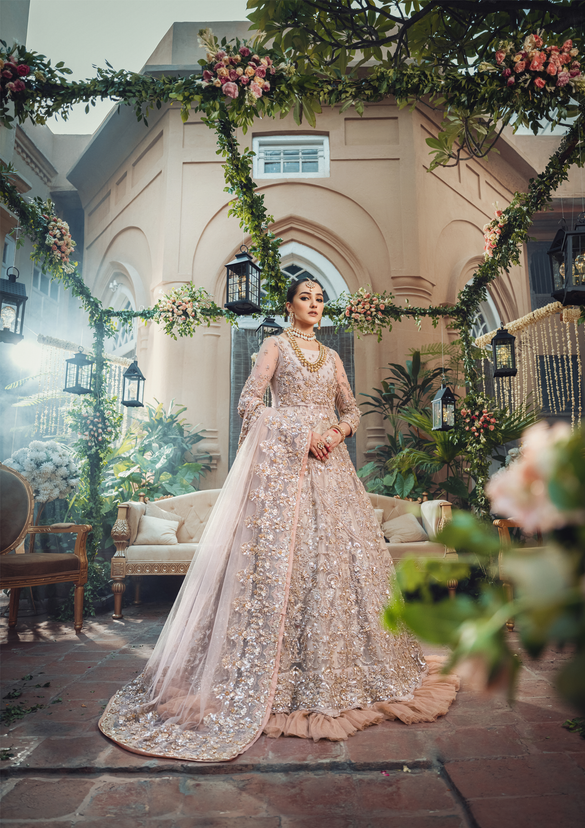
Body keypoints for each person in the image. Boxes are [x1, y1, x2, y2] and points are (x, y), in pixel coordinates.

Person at [99, 277, 459, 762]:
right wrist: (298, 430)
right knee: (281, 567)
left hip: (331, 469)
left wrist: (334, 431)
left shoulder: (332, 357)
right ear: (289, 305)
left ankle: (339, 671)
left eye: (320, 298)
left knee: (335, 567)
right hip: (285, 472)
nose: (314, 304)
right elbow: (251, 402)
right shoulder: (274, 345)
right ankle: (273, 674)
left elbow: (351, 409)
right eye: (305, 297)